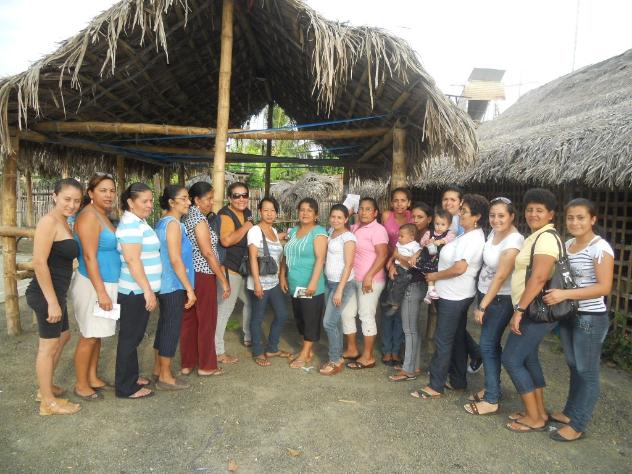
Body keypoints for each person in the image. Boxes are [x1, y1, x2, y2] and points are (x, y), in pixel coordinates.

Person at [543, 198, 614, 441]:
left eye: (581, 217)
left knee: (587, 371)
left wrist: (565, 295)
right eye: (571, 217)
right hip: (568, 314)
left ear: (593, 219)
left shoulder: (599, 248)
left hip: (590, 318)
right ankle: (569, 413)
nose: (575, 222)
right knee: (573, 365)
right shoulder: (568, 245)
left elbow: (604, 287)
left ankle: (578, 424)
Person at [411, 194, 488, 399]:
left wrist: (435, 276)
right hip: (454, 294)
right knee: (457, 338)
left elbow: (459, 268)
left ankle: (435, 385)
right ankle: (458, 380)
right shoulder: (466, 234)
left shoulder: (473, 238)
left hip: (455, 296)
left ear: (477, 217)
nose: (460, 214)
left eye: (465, 211)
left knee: (443, 339)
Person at [502, 188, 561, 432]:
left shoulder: (546, 238)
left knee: (511, 359)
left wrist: (520, 310)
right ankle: (538, 412)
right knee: (529, 358)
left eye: (539, 210)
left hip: (535, 311)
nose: (533, 214)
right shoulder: (537, 236)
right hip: (533, 309)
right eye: (529, 209)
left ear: (551, 214)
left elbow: (538, 277)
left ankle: (534, 418)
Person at [27, 178, 83, 415]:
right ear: (54, 196)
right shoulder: (48, 222)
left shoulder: (65, 222)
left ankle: (45, 388)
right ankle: (47, 402)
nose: (72, 205)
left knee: (64, 336)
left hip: (56, 293)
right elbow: (39, 263)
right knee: (47, 347)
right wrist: (51, 302)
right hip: (44, 293)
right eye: (67, 199)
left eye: (77, 201)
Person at [464, 197, 524, 415]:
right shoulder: (494, 233)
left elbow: (500, 276)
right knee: (491, 345)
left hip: (500, 299)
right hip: (486, 293)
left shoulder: (514, 241)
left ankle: (491, 400)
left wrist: (482, 306)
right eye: (492, 215)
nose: (496, 220)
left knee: (487, 346)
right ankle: (493, 388)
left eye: (501, 216)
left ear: (512, 216)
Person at [70, 173, 120, 401]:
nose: (109, 195)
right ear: (90, 193)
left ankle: (92, 377)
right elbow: (89, 257)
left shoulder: (102, 215)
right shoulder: (89, 216)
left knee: (97, 334)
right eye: (103, 190)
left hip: (105, 282)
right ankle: (81, 384)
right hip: (92, 284)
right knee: (89, 335)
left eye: (112, 190)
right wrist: (101, 292)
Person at [115, 182, 161, 399]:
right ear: (131, 203)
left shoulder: (137, 221)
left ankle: (131, 377)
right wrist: (147, 291)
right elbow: (133, 261)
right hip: (135, 291)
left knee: (133, 337)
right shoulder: (130, 226)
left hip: (139, 290)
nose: (150, 205)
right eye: (145, 201)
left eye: (151, 200)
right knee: (129, 338)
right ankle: (125, 387)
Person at [181, 182, 231, 376]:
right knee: (207, 320)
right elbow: (208, 252)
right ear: (196, 200)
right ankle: (207, 366)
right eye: (208, 199)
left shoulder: (186, 217)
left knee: (190, 320)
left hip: (189, 274)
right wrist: (223, 279)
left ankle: (188, 363)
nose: (212, 202)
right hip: (203, 274)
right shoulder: (199, 220)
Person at [151, 185, 196, 390]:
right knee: (171, 328)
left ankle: (158, 369)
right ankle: (165, 376)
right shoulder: (173, 225)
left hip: (165, 283)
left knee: (164, 326)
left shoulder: (163, 222)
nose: (188, 202)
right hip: (173, 283)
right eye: (184, 199)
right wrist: (189, 289)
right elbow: (176, 259)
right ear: (171, 202)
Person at [388, 202, 434, 381]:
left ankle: (408, 370)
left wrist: (398, 257)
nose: (415, 220)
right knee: (411, 327)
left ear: (429, 219)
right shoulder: (413, 237)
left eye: (420, 217)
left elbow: (414, 264)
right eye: (413, 216)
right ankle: (413, 366)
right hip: (411, 283)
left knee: (409, 329)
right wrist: (393, 263)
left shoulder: (427, 240)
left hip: (414, 285)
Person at [280, 198, 328, 368]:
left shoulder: (319, 232)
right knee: (300, 318)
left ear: (316, 215)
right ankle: (306, 350)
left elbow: (320, 259)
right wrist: (282, 275)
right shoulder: (293, 231)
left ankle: (305, 353)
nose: (305, 213)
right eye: (302, 210)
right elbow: (286, 254)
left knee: (310, 319)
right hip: (295, 284)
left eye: (309, 210)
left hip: (310, 285)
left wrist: (313, 283)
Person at [342, 197, 389, 370]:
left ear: (375, 213)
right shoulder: (354, 227)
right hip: (352, 278)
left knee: (366, 315)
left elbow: (383, 255)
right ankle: (352, 349)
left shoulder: (378, 230)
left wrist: (369, 275)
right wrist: (348, 213)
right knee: (346, 313)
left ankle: (368, 356)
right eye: (361, 208)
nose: (363, 212)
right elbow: (337, 227)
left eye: (368, 209)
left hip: (371, 280)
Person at [441, 185, 483, 373]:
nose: (448, 203)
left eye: (453, 200)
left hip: (455, 287)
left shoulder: (465, 228)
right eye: (445, 199)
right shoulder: (444, 220)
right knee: (455, 330)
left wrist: (435, 275)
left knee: (449, 332)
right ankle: (459, 369)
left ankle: (447, 369)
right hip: (446, 286)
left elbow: (459, 265)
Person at [247, 197, 291, 367]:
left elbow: (277, 253)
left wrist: (281, 277)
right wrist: (257, 283)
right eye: (266, 210)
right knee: (258, 318)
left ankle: (272, 348)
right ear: (260, 212)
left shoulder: (273, 230)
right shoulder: (255, 231)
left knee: (282, 314)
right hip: (260, 283)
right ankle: (258, 351)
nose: (270, 213)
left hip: (273, 282)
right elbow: (252, 257)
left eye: (273, 210)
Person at [216, 182, 253, 360]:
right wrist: (246, 226)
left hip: (242, 269)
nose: (241, 199)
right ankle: (218, 351)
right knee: (225, 309)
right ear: (229, 198)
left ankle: (248, 336)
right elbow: (226, 241)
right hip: (229, 270)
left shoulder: (246, 213)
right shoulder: (225, 215)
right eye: (236, 196)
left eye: (244, 195)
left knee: (250, 302)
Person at [321, 204, 357, 375]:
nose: (335, 220)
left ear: (346, 219)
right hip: (329, 282)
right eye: (333, 217)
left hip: (342, 284)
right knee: (334, 321)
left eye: (339, 217)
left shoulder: (348, 237)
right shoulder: (331, 232)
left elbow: (349, 265)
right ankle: (338, 356)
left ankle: (335, 359)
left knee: (328, 322)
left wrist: (340, 290)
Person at [380, 188, 412, 366]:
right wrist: (392, 261)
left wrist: (399, 262)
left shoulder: (412, 217)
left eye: (403, 200)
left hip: (406, 269)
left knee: (400, 310)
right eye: (396, 200)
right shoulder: (386, 216)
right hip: (388, 266)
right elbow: (383, 242)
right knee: (387, 308)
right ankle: (386, 349)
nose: (399, 204)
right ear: (391, 202)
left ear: (409, 202)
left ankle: (396, 350)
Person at [417, 208, 456, 304]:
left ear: (449, 225)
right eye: (437, 224)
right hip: (430, 258)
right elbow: (421, 242)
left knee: (437, 276)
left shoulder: (450, 233)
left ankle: (428, 294)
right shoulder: (429, 233)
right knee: (431, 273)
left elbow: (450, 239)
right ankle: (430, 290)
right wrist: (427, 242)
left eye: (443, 224)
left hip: (441, 260)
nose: (439, 227)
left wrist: (441, 241)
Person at [383, 224, 421, 315]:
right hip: (397, 266)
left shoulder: (414, 245)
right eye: (398, 236)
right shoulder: (399, 243)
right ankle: (389, 300)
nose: (399, 238)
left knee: (399, 286)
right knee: (391, 284)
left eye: (402, 236)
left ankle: (395, 304)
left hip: (405, 270)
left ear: (411, 238)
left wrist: (414, 257)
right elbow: (395, 253)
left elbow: (419, 252)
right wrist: (390, 260)